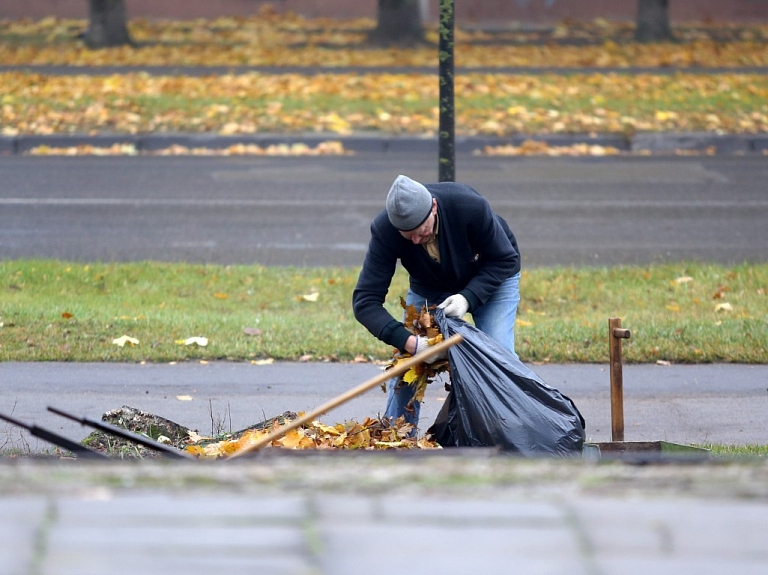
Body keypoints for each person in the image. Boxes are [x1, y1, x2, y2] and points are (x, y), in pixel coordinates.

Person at [352, 174, 522, 427]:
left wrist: (468, 298)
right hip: (431, 286)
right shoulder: (385, 230)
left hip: (490, 274)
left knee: (498, 357)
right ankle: (399, 439)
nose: (417, 241)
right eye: (408, 236)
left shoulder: (469, 206)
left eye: (421, 231)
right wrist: (412, 344)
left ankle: (515, 431)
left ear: (433, 207)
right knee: (405, 368)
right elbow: (365, 301)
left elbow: (505, 259)